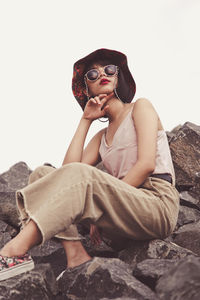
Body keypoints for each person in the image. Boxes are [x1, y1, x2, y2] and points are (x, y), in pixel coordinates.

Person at [0, 48, 180, 281]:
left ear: (119, 77)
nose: (102, 74)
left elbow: (146, 164)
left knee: (80, 175)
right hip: (120, 223)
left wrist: (105, 200)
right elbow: (64, 175)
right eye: (92, 75)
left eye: (109, 69)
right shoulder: (101, 138)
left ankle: (13, 251)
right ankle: (76, 256)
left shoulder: (140, 107)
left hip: (155, 206)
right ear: (87, 90)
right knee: (42, 175)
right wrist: (85, 120)